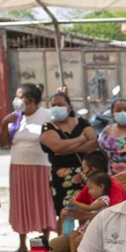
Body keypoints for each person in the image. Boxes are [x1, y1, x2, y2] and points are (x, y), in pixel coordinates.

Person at [48, 150, 126, 252]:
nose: (82, 172)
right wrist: (67, 211)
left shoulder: (115, 188)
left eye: (84, 169)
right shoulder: (91, 186)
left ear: (92, 170)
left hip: (110, 236)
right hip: (87, 230)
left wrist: (84, 216)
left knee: (82, 242)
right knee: (52, 247)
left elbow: (116, 217)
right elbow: (78, 205)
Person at [0, 83, 56, 252]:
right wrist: (3, 125)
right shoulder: (15, 118)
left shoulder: (46, 115)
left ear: (31, 100)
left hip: (41, 166)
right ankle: (22, 244)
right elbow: (3, 143)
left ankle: (44, 240)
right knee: (21, 202)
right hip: (18, 166)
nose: (16, 100)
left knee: (42, 201)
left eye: (20, 96)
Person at [40, 92, 97, 224]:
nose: (56, 107)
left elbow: (93, 142)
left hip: (85, 173)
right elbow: (57, 147)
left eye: (60, 104)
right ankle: (63, 240)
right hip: (61, 175)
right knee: (64, 212)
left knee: (86, 210)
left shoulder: (82, 122)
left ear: (69, 107)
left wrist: (67, 148)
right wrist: (81, 139)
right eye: (53, 105)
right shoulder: (48, 126)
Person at [66, 172, 112, 252]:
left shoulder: (105, 200)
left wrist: (75, 202)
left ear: (101, 187)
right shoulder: (96, 200)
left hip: (96, 229)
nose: (89, 191)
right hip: (87, 226)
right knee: (72, 234)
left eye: (91, 188)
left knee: (78, 240)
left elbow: (89, 208)